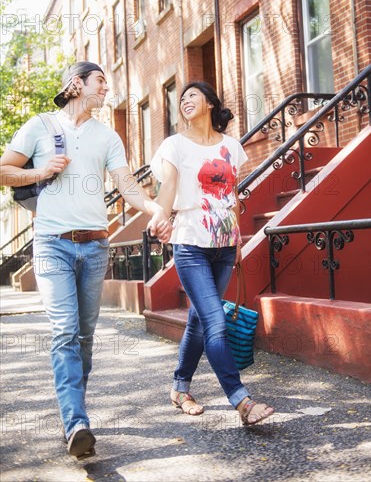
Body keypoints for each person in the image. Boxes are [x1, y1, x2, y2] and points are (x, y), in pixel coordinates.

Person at [0, 62, 171, 458]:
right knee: (64, 331)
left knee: (85, 337)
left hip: (95, 246)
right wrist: (40, 171)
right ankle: (76, 421)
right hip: (52, 245)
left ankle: (75, 414)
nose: (106, 90)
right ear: (77, 84)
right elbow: (4, 170)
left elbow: (126, 185)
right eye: (100, 82)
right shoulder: (39, 125)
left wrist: (154, 209)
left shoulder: (107, 136)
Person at [148, 81, 274, 426]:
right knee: (214, 321)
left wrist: (237, 239)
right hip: (190, 244)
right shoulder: (174, 145)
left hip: (224, 246)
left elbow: (232, 195)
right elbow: (169, 188)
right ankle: (242, 401)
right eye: (182, 98)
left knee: (199, 321)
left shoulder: (231, 147)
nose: (185, 101)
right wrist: (160, 215)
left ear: (209, 104)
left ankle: (180, 387)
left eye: (192, 96)